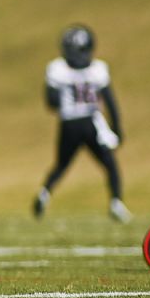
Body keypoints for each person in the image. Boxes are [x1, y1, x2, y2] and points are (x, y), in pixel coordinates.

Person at [32, 24, 132, 223]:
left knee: (61, 164)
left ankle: (44, 193)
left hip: (69, 123)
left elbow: (51, 102)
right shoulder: (98, 70)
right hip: (91, 122)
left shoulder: (57, 69)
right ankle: (116, 202)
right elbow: (111, 102)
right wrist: (117, 128)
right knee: (109, 164)